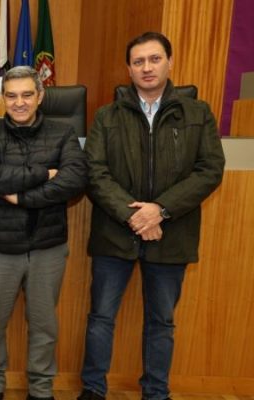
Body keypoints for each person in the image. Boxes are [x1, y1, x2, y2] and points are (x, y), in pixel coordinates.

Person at [78, 32, 225, 400]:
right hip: (115, 233)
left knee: (161, 322)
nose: (147, 67)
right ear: (128, 69)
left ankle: (156, 393)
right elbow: (95, 173)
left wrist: (160, 210)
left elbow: (209, 170)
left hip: (171, 234)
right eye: (139, 61)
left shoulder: (197, 114)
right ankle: (93, 390)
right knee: (101, 317)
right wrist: (136, 217)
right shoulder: (107, 116)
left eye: (154, 59)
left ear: (169, 63)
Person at [0, 66, 88, 400]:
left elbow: (74, 180)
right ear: (2, 98)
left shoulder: (64, 133)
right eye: (11, 96)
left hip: (47, 246)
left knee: (44, 324)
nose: (19, 102)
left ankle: (40, 388)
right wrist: (44, 173)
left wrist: (22, 197)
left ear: (40, 96)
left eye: (27, 94)